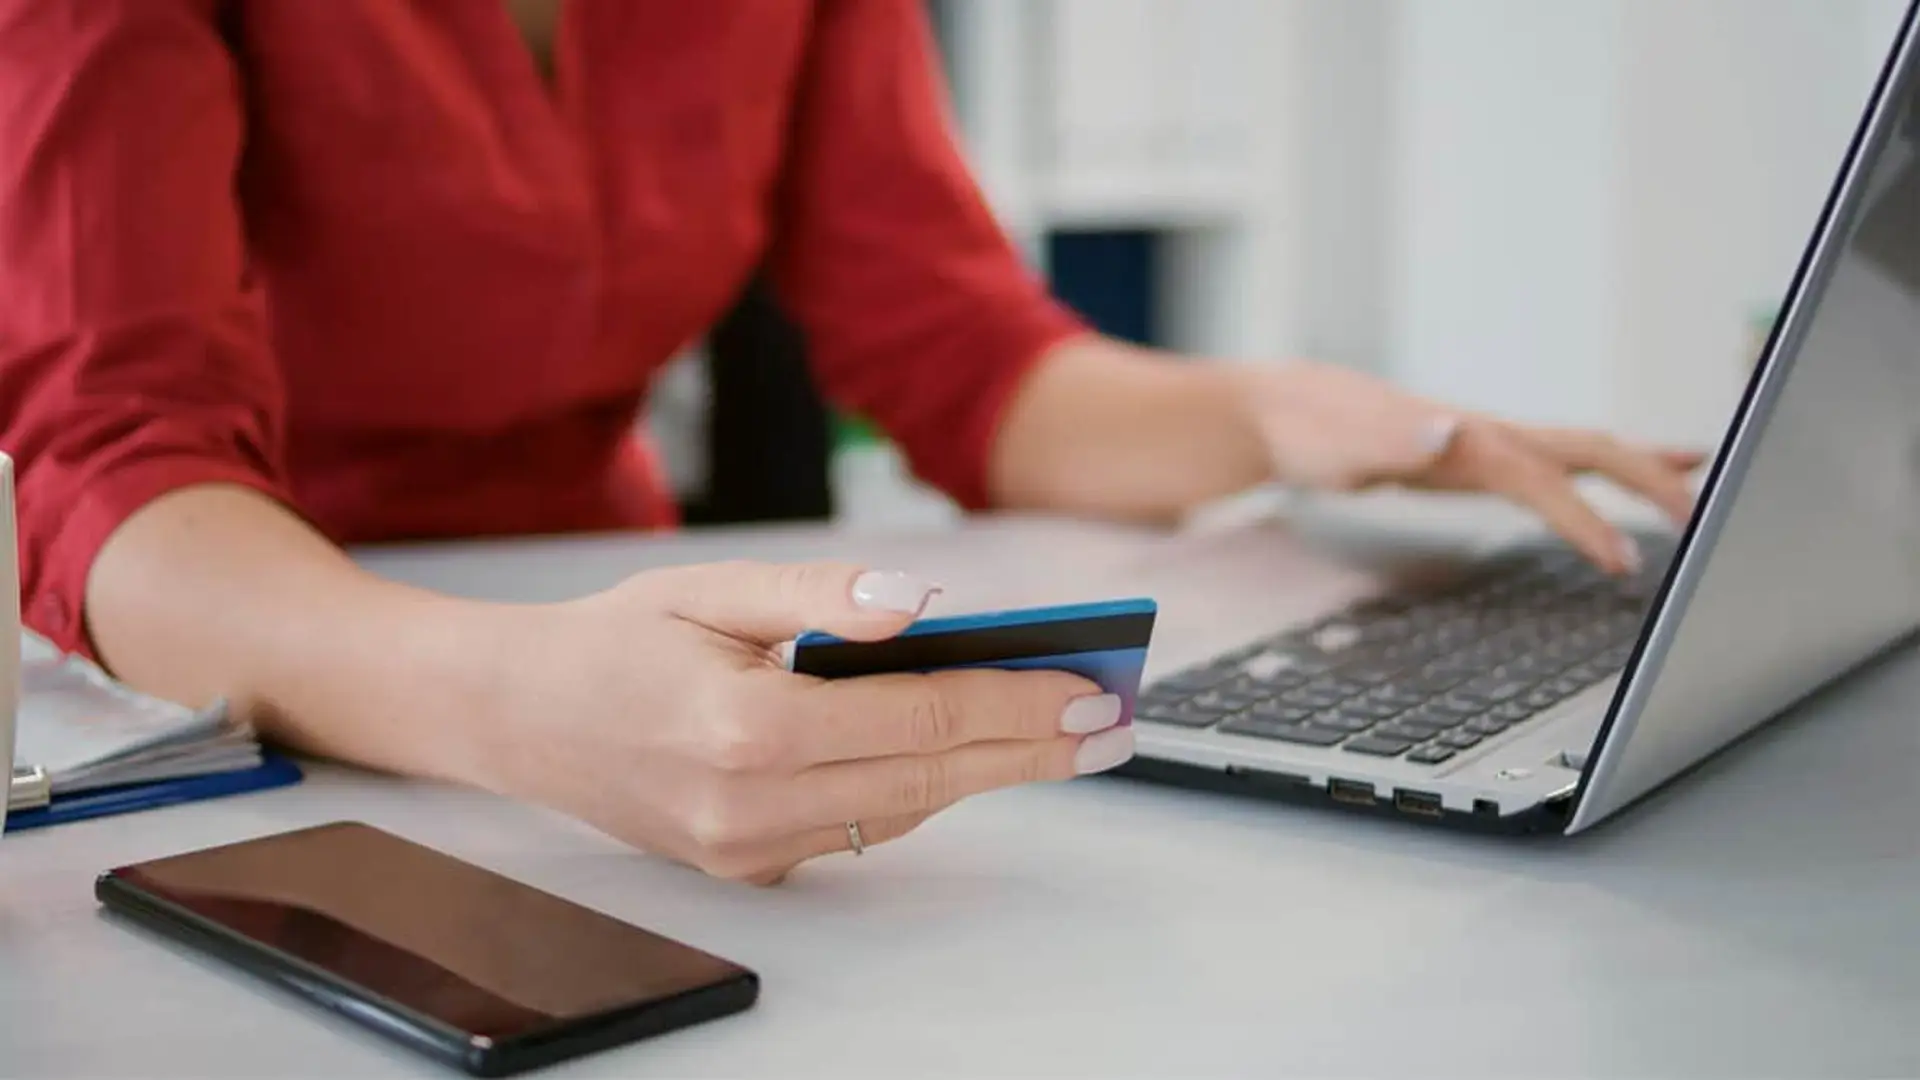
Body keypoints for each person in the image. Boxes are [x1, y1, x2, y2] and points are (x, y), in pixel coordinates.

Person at [0, 1, 1699, 884]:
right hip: (224, 690)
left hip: (631, 649)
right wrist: (519, 701)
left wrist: (1272, 411)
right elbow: (112, 466)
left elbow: (959, 356)